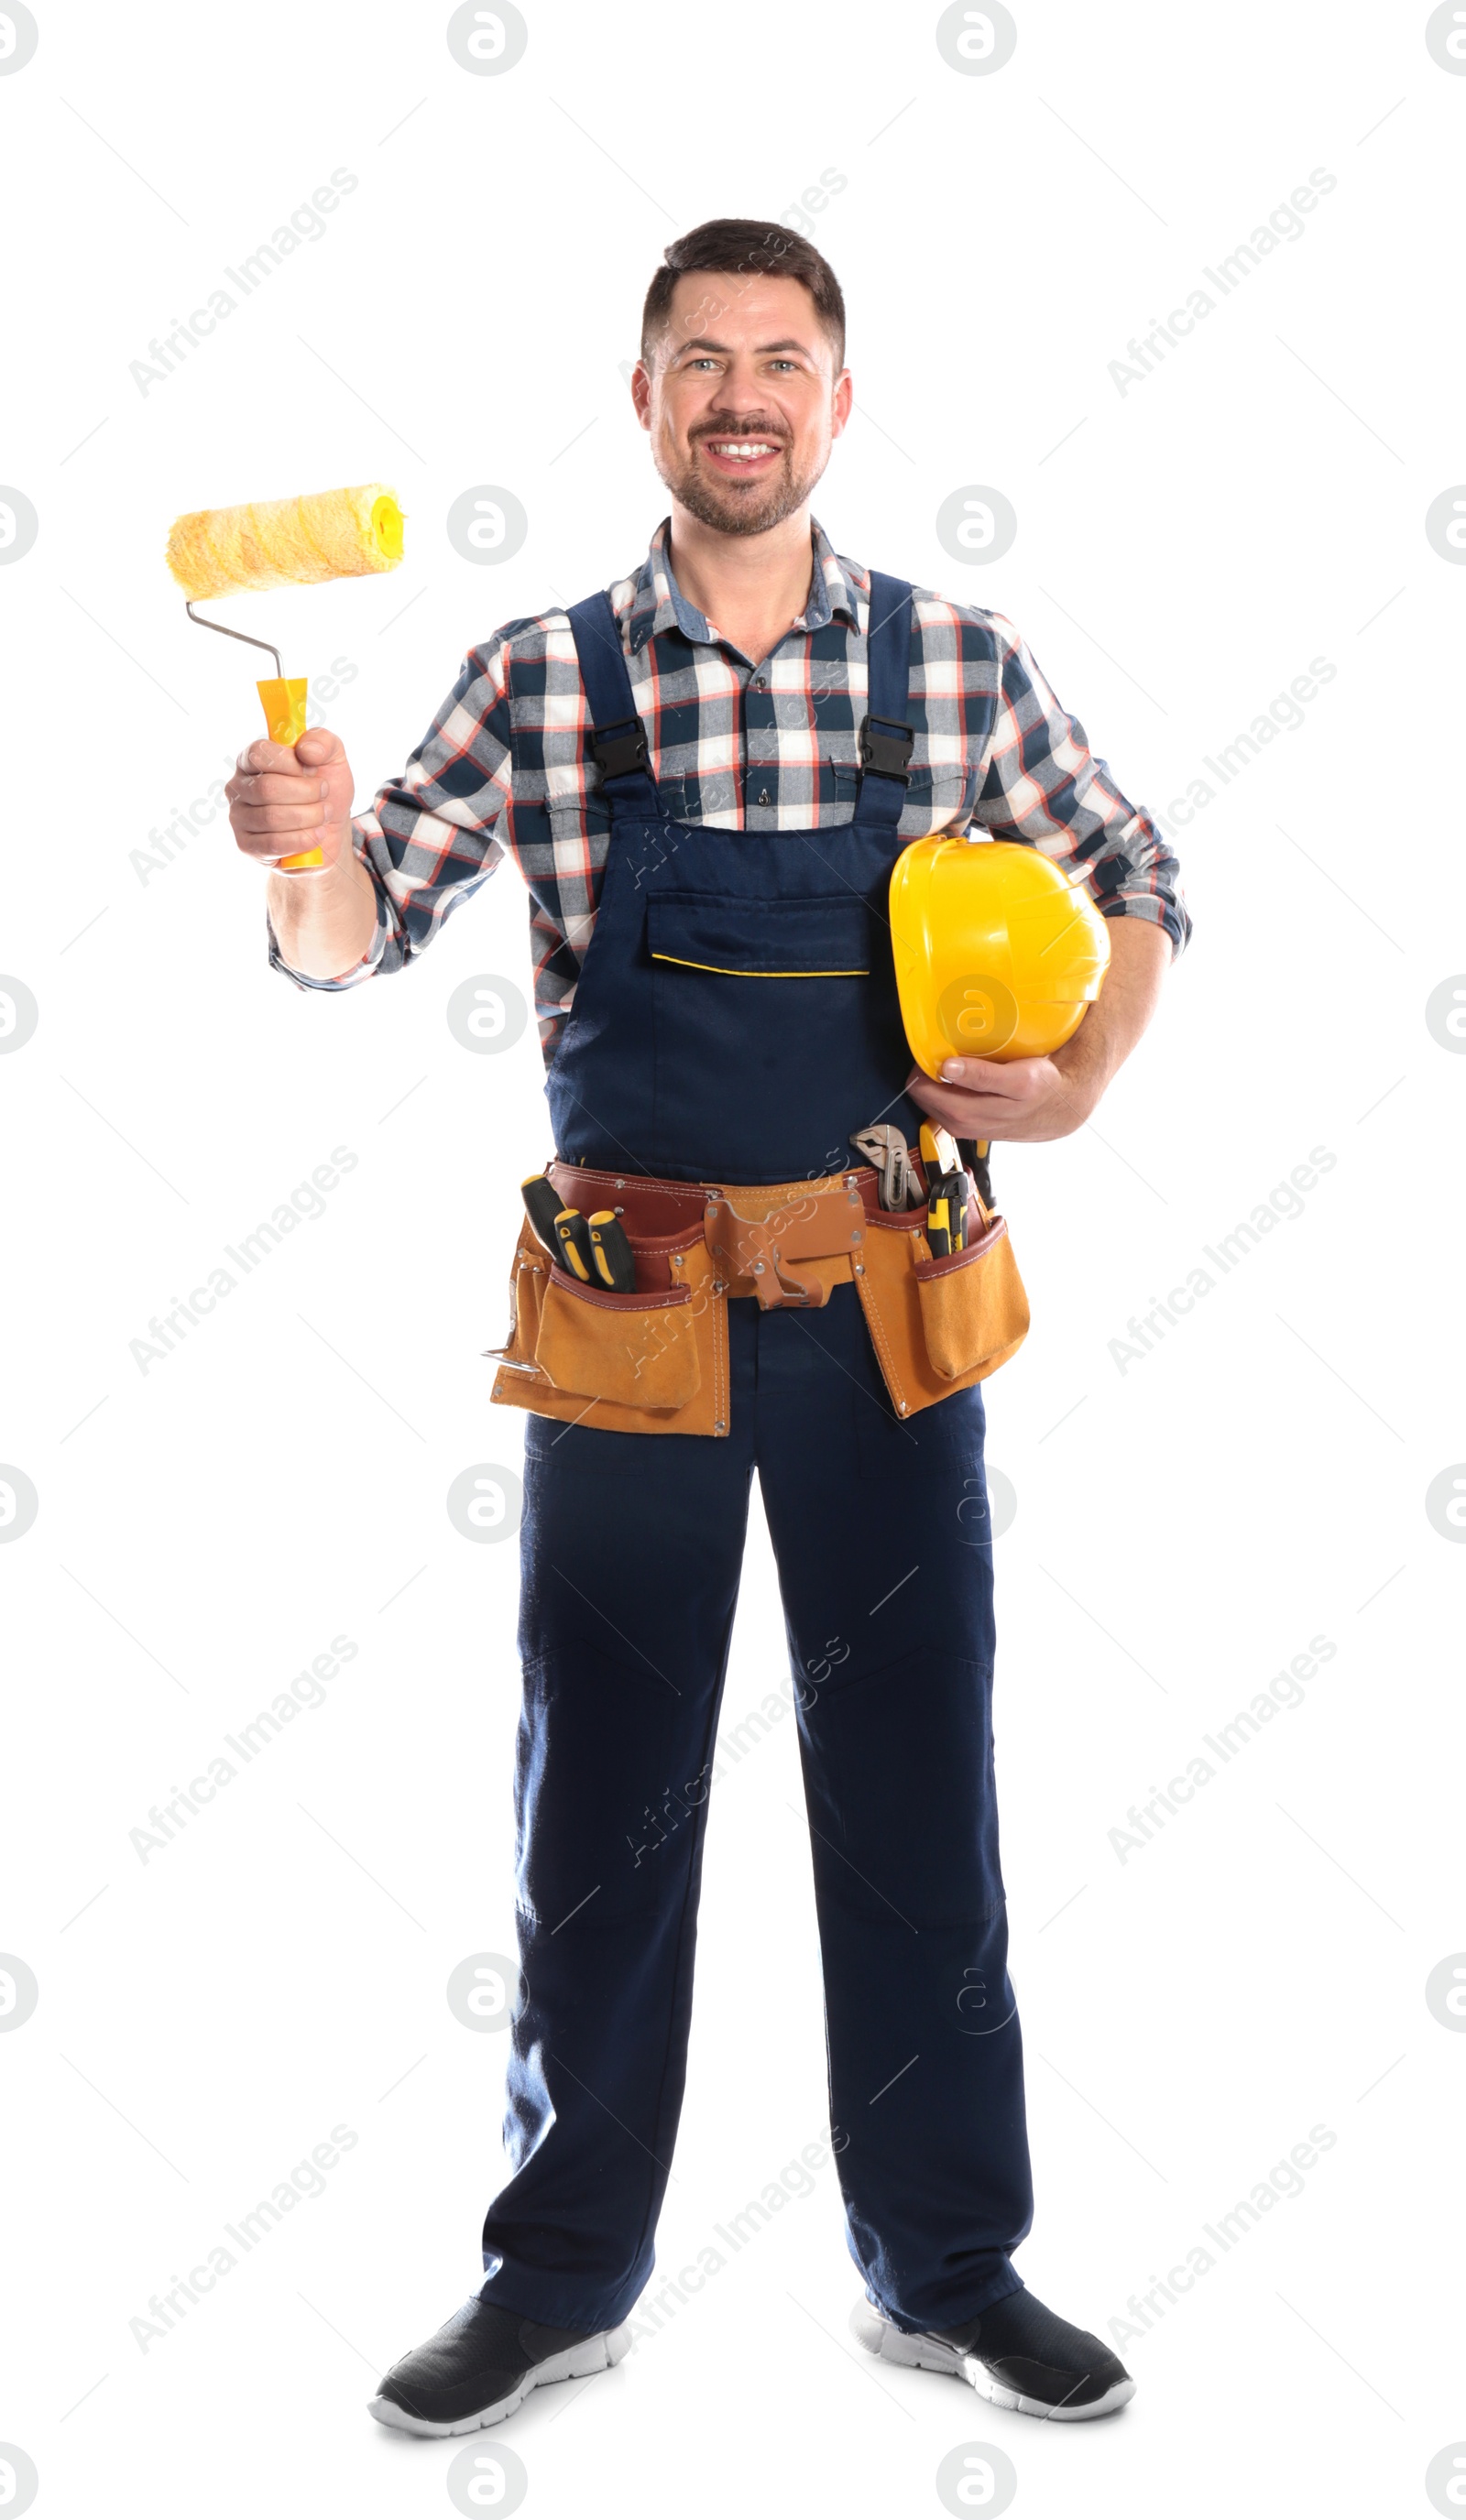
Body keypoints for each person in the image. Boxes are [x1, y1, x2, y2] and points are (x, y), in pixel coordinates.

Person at [227, 218, 1189, 2439]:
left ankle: (949, 2262)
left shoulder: (952, 666)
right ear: (642, 400)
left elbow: (1137, 877)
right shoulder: (544, 674)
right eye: (698, 361)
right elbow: (349, 931)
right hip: (632, 1318)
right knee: (608, 1811)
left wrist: (1084, 1074)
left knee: (914, 1792)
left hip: (883, 1303)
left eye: (781, 360)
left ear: (835, 407)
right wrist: (296, 849)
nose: (740, 393)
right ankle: (557, 2271)